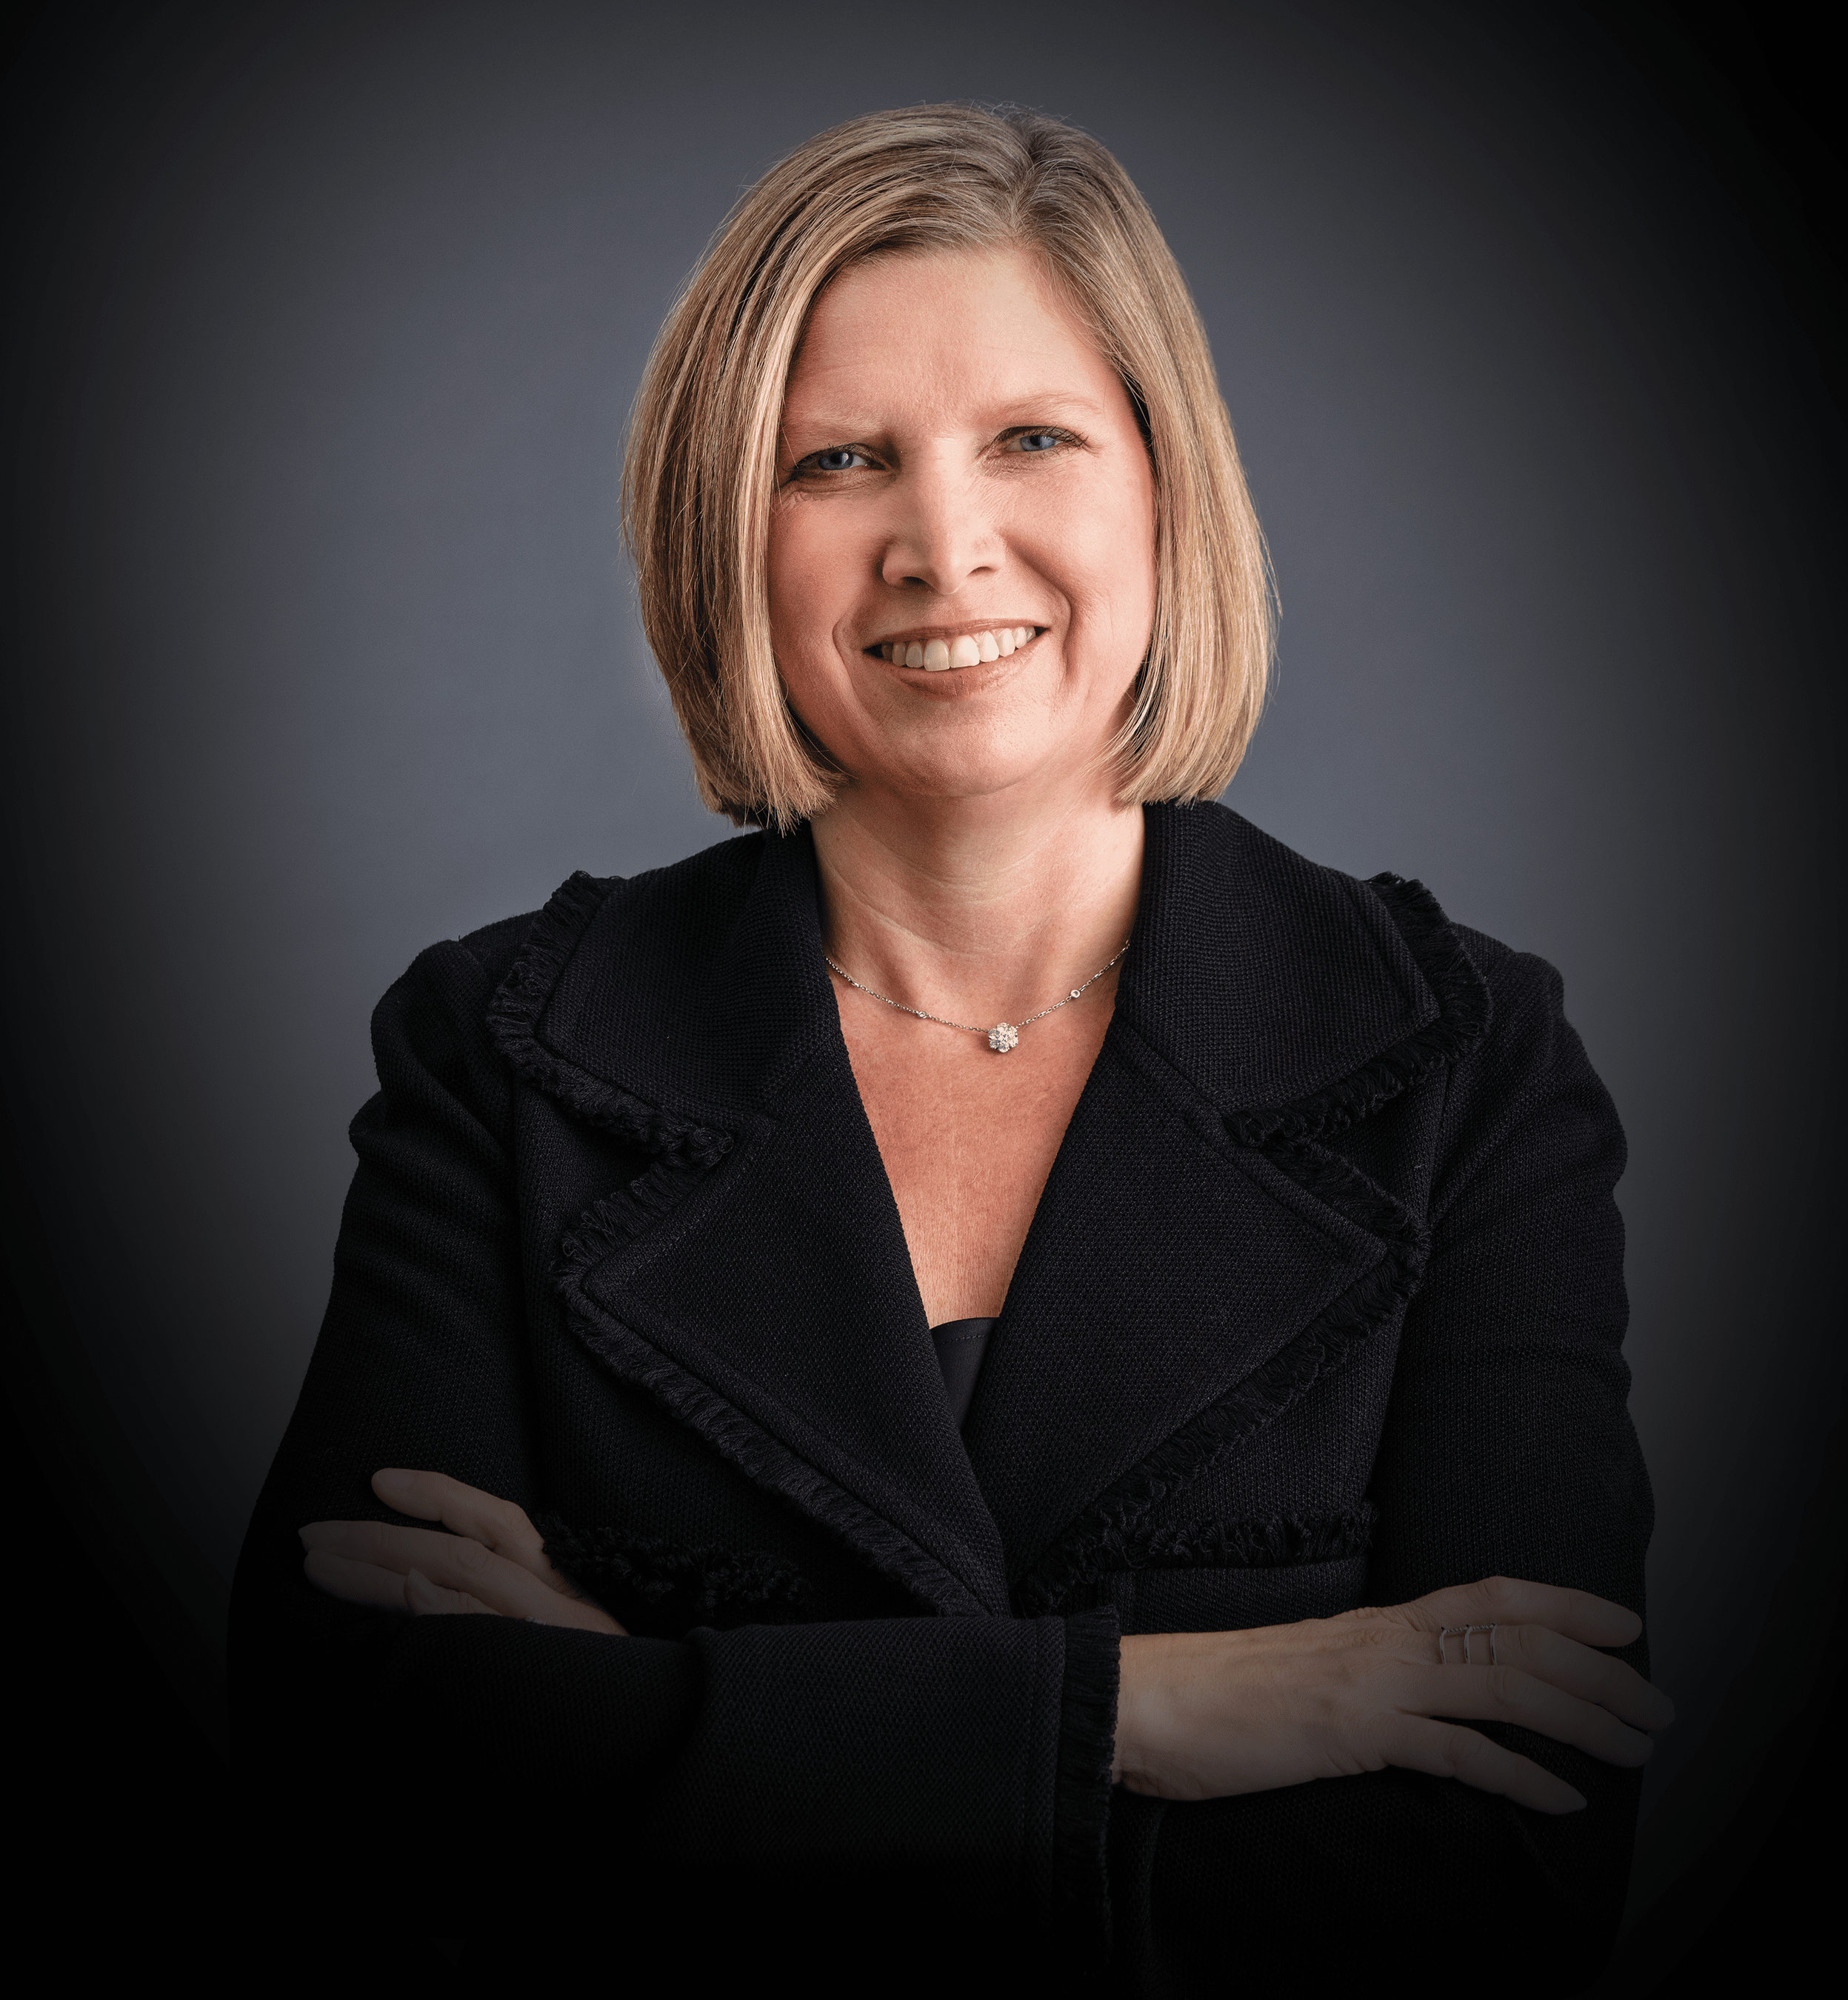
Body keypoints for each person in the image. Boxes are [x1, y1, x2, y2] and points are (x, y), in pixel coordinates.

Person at [230, 103, 1668, 1990]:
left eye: (1030, 439)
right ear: (724, 529)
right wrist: (1154, 1714)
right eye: (838, 460)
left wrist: (651, 1719)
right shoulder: (502, 1050)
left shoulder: (1463, 1059)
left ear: (1164, 484)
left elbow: (1507, 1866)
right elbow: (356, 1782)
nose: (941, 542)